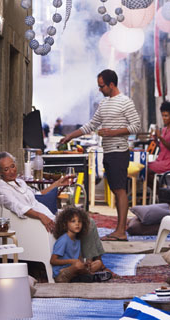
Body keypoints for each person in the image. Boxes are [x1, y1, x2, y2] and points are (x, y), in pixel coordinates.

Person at [60, 69, 141, 241]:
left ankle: (120, 231)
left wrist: (112, 133)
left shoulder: (125, 102)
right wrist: (70, 136)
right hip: (108, 151)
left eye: (102, 86)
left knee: (120, 190)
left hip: (119, 150)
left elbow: (136, 126)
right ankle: (119, 230)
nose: (100, 89)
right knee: (115, 189)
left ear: (112, 85)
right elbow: (91, 125)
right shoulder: (104, 104)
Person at [0, 151, 105, 260]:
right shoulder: (4, 191)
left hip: (50, 217)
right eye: (6, 169)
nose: (12, 171)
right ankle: (94, 262)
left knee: (88, 222)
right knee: (88, 224)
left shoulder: (20, 182)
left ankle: (94, 262)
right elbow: (19, 208)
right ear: (0, 172)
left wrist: (58, 183)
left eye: (12, 166)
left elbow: (37, 196)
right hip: (42, 224)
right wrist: (41, 216)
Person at [50, 207, 112, 283]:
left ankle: (88, 277)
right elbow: (53, 261)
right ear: (65, 224)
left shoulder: (77, 239)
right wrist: (72, 261)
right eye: (73, 221)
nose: (77, 224)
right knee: (78, 266)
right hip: (62, 273)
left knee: (98, 263)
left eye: (79, 221)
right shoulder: (63, 240)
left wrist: (85, 264)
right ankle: (92, 277)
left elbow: (78, 258)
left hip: (75, 270)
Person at [147, 101, 170, 184]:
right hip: (161, 160)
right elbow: (163, 146)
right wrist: (156, 140)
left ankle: (160, 192)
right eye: (163, 115)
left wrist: (160, 137)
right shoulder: (164, 129)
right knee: (143, 169)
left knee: (146, 170)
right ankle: (161, 192)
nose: (164, 118)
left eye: (166, 116)